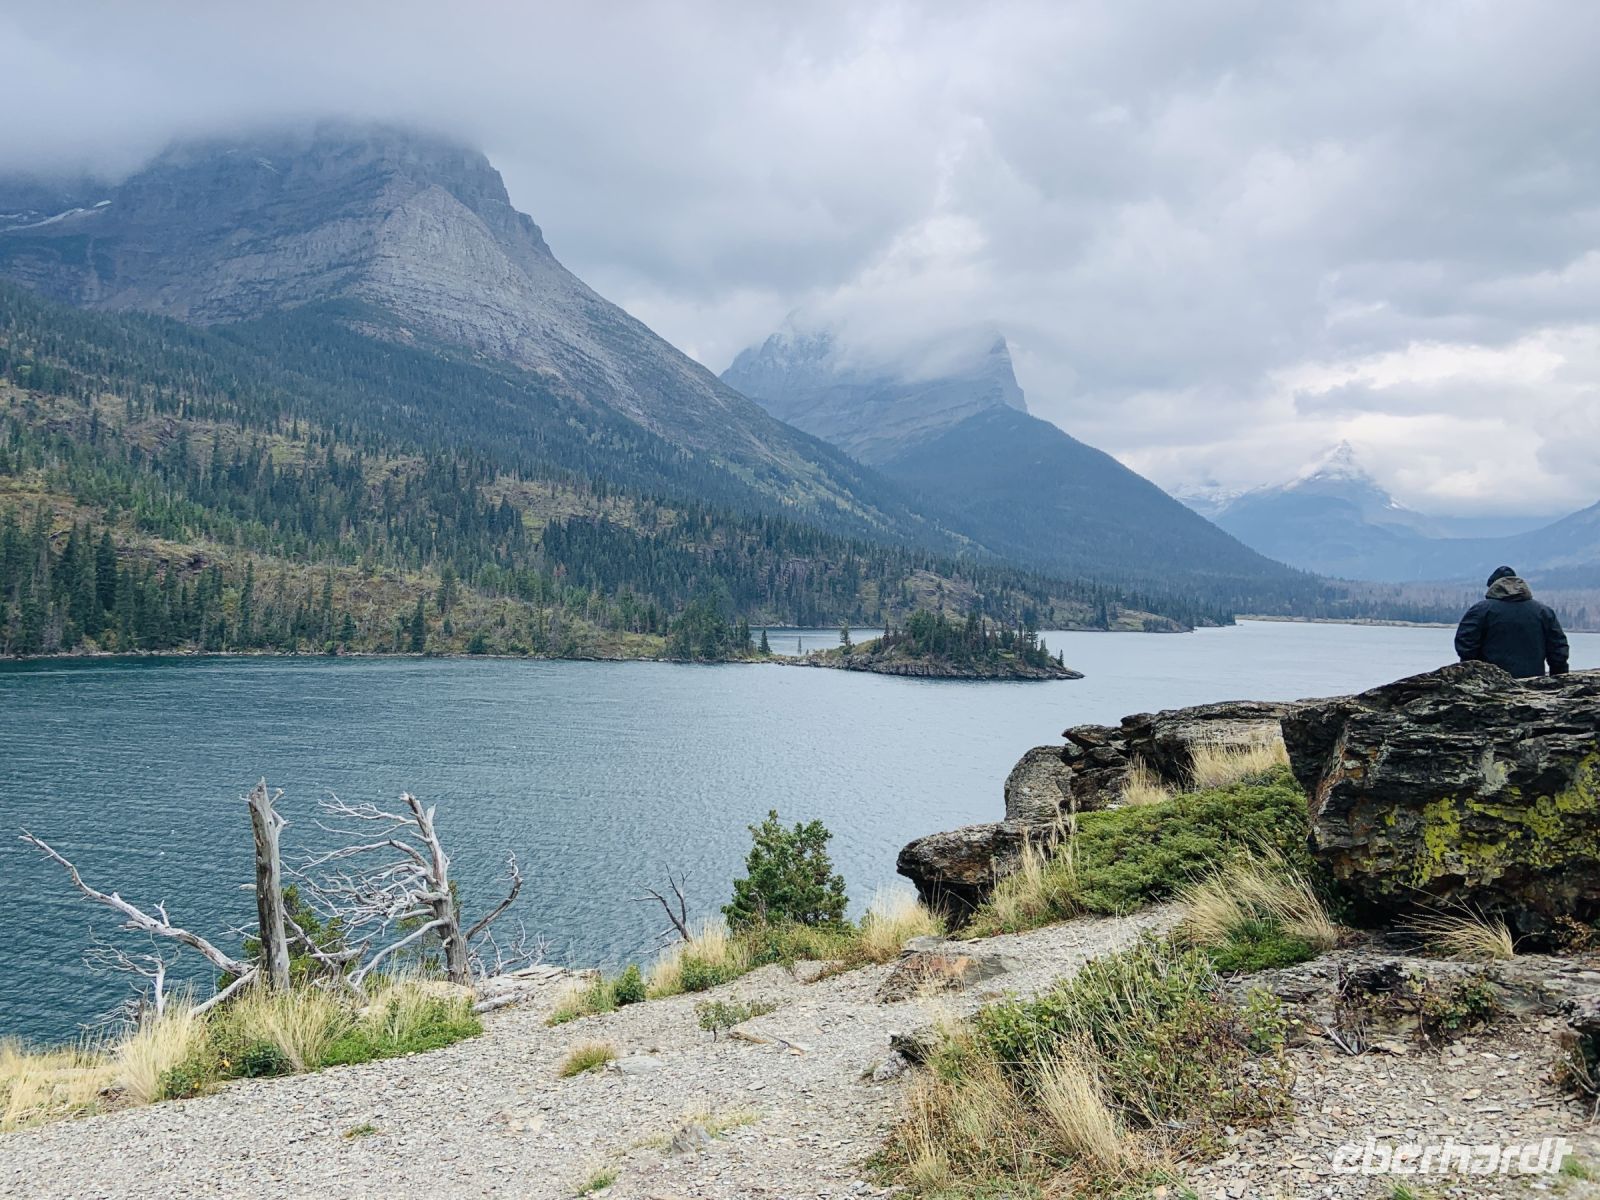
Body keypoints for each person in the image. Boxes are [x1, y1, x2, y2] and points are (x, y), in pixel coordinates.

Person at [1454, 565, 1569, 678]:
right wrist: (1558, 678)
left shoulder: (1481, 610)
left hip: (1489, 683)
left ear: (1492, 586)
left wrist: (1472, 674)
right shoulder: (1543, 612)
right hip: (1532, 682)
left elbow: (1466, 644)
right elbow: (1558, 649)